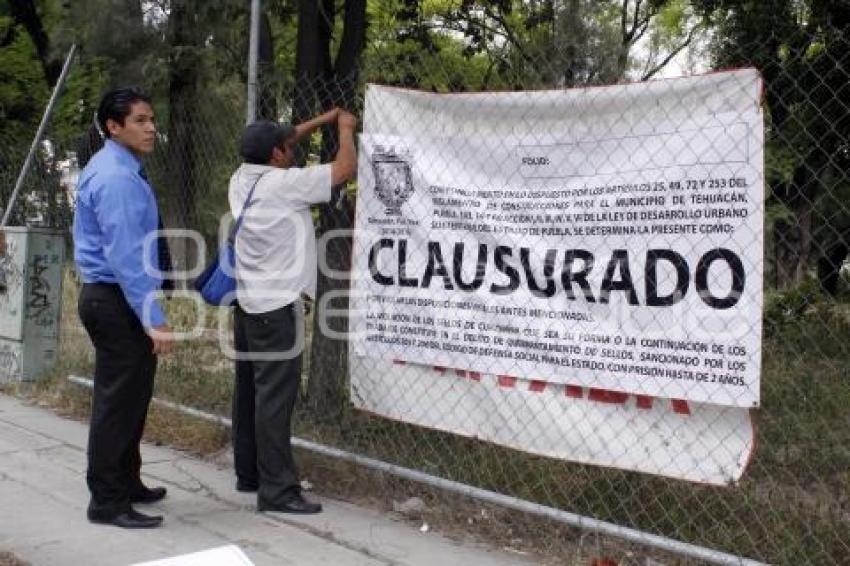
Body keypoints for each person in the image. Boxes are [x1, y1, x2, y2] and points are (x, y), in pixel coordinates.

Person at [229, 108, 357, 513]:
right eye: (287, 146)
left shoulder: (243, 177)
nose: (292, 148)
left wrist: (321, 119)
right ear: (278, 155)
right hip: (276, 309)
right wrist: (345, 128)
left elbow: (282, 140)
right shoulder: (285, 185)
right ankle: (278, 491)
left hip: (248, 305)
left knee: (250, 391)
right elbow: (344, 168)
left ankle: (250, 473)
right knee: (275, 400)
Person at [73, 87, 175, 529]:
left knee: (132, 397)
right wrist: (154, 318)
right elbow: (128, 255)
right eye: (139, 120)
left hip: (113, 297)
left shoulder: (119, 167)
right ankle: (107, 501)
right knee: (117, 403)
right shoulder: (116, 177)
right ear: (114, 127)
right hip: (115, 298)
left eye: (151, 119)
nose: (151, 127)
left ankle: (126, 481)